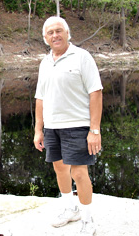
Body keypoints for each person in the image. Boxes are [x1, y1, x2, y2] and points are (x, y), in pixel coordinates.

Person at [34, 16, 103, 236]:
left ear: (67, 33)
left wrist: (94, 130)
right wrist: (38, 129)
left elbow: (96, 92)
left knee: (79, 173)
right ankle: (70, 208)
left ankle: (88, 220)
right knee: (59, 168)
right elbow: (40, 98)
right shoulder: (45, 62)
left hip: (78, 125)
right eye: (50, 33)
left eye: (59, 31)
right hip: (52, 127)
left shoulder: (82, 57)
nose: (55, 35)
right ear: (45, 38)